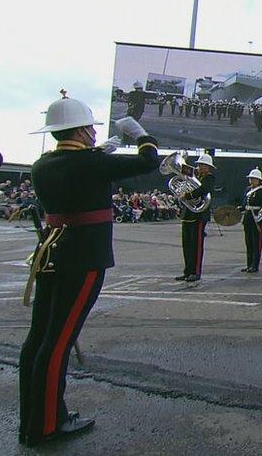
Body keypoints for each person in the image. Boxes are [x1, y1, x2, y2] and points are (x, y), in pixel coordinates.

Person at [21, 91, 158, 446]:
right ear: (80, 131)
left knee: (38, 339)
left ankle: (32, 418)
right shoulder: (92, 163)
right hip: (83, 258)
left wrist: (100, 154)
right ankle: (48, 425)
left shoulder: (43, 165)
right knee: (59, 342)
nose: (95, 135)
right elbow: (148, 161)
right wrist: (140, 133)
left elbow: (82, 172)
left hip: (51, 255)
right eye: (91, 129)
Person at [240, 167, 262, 273]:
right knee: (249, 242)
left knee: (256, 243)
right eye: (251, 178)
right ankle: (249, 264)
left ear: (259, 180)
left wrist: (259, 215)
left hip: (256, 219)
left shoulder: (261, 191)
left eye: (254, 179)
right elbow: (244, 203)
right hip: (248, 218)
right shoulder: (248, 190)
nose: (252, 180)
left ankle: (254, 265)